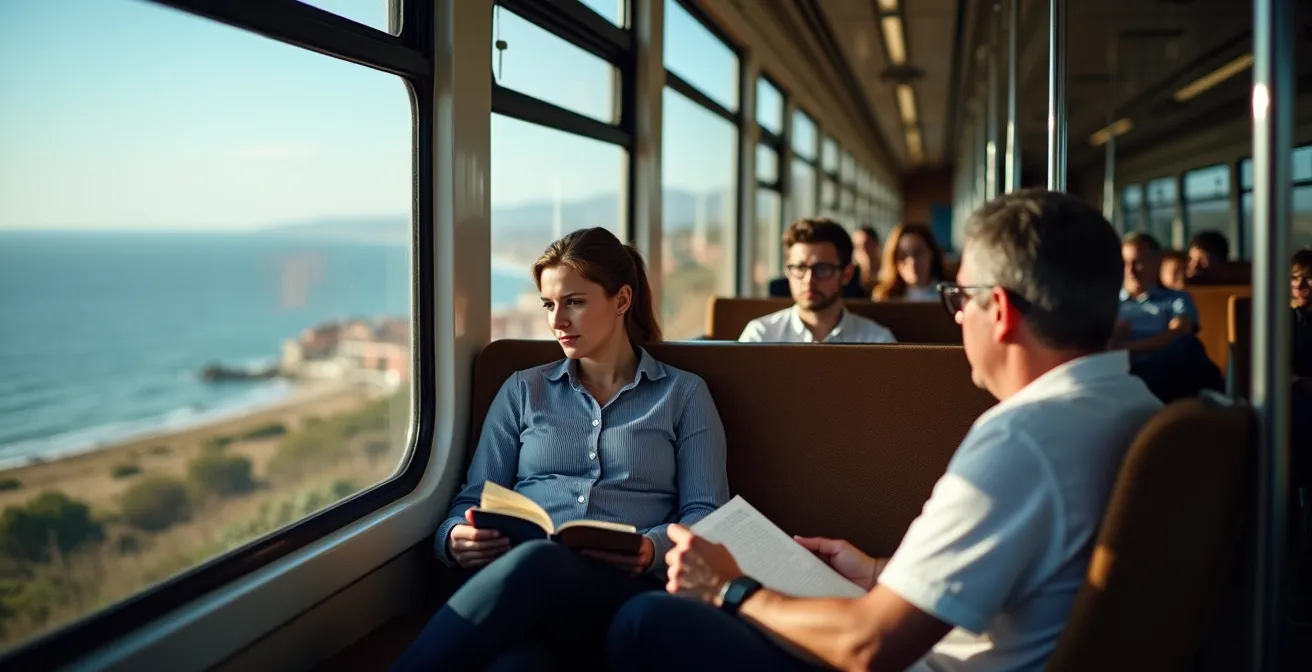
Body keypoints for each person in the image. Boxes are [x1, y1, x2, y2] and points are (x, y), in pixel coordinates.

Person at [605, 189, 1163, 671]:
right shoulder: (1134, 405)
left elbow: (870, 647)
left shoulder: (1022, 439)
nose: (957, 316)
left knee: (644, 618)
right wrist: (877, 571)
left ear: (999, 310)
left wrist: (728, 589)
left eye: (960, 299)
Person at [390, 227, 729, 671]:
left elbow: (707, 513)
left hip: (630, 589)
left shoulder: (683, 395)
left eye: (574, 302)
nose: (557, 321)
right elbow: (472, 499)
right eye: (549, 305)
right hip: (527, 594)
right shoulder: (522, 391)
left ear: (622, 300)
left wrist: (650, 549)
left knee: (540, 561)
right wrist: (455, 539)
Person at [741, 218, 896, 344]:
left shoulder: (877, 341)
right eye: (799, 268)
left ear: (847, 274)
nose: (808, 280)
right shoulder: (761, 336)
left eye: (822, 269)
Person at [1112, 232, 1223, 403]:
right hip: (1122, 369)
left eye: (1138, 262)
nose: (1131, 270)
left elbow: (1180, 332)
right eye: (1125, 263)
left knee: (1187, 347)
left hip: (1165, 366)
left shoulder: (1176, 299)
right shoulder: (1110, 303)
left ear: (1156, 263)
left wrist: (1128, 348)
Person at [872, 223, 947, 302]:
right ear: (894, 260)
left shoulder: (950, 295)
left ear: (932, 253)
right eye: (903, 255)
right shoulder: (885, 297)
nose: (912, 262)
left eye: (918, 253)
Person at [851, 225, 883, 296]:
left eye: (867, 244)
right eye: (857, 246)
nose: (863, 249)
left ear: (876, 244)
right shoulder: (849, 278)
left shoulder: (890, 274)